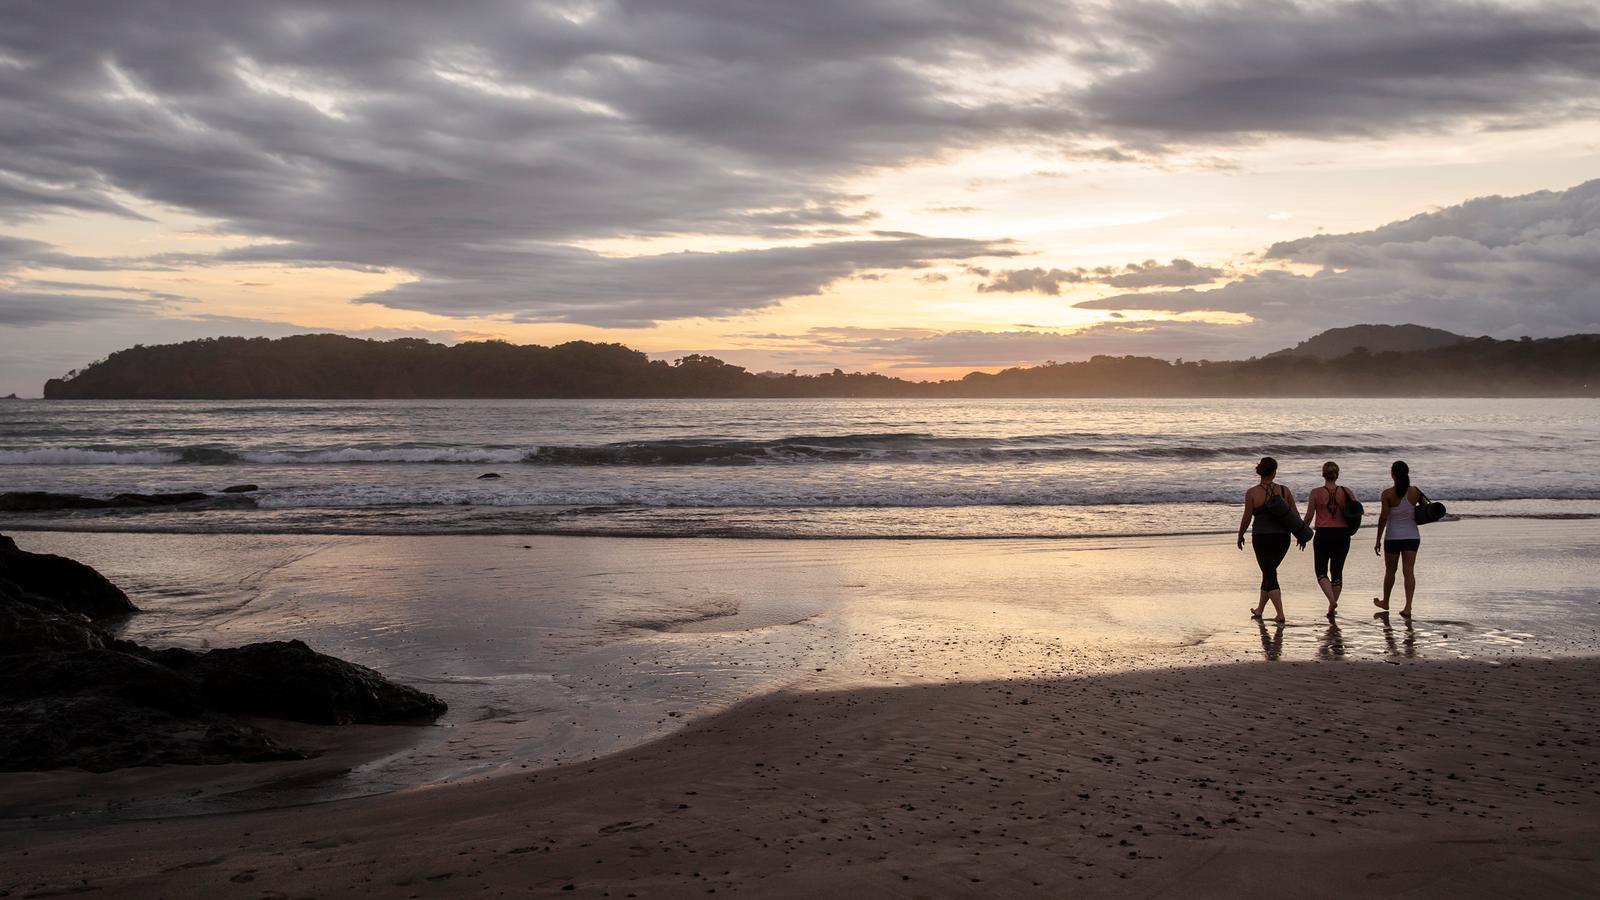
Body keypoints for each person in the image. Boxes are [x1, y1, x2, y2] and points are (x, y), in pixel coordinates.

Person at [1237, 456, 1299, 623]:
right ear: (1274, 472)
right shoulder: (1284, 490)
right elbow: (1295, 515)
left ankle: (1280, 613)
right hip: (1283, 538)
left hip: (1262, 538)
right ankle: (1259, 609)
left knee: (1270, 573)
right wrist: (1300, 534)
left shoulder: (1252, 492)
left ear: (1260, 472)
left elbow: (1246, 518)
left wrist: (1240, 534)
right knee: (1269, 571)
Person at [1373, 460, 1423, 618]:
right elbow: (1425, 508)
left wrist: (1378, 540)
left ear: (1392, 474)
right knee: (1409, 571)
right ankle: (1408, 607)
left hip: (1393, 537)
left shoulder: (1387, 494)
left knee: (1390, 571)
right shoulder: (1415, 492)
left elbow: (1383, 518)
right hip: (1412, 536)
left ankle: (1386, 602)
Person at [1302, 461, 1353, 617]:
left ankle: (1331, 601)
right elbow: (1356, 511)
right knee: (1337, 571)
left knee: (1321, 571)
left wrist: (1301, 534)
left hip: (1323, 534)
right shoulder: (1346, 491)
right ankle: (1333, 604)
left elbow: (1309, 516)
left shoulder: (1315, 493)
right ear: (1337, 475)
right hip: (1343, 534)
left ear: (1323, 474)